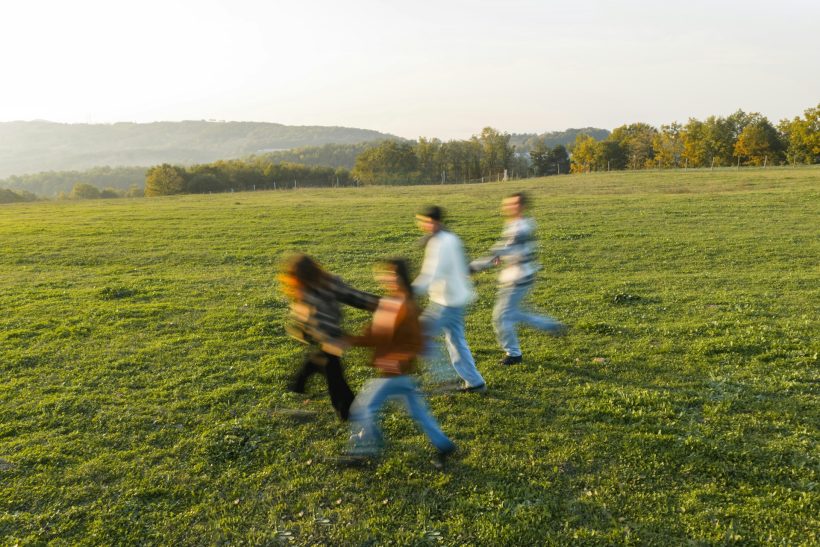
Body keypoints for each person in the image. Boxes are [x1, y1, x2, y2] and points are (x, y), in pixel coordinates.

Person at [344, 259, 457, 468]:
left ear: (400, 278)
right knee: (419, 412)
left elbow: (416, 342)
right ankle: (444, 445)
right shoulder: (391, 302)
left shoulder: (407, 307)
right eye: (384, 274)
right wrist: (349, 339)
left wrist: (398, 359)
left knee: (363, 408)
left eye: (391, 274)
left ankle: (361, 449)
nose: (386, 278)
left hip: (394, 373)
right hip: (399, 375)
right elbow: (375, 335)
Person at [279, 254, 379, 421]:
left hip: (328, 336)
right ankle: (348, 412)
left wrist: (381, 304)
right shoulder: (305, 293)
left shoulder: (327, 284)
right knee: (334, 373)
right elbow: (354, 297)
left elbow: (354, 297)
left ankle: (303, 379)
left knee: (328, 366)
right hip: (321, 337)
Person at [470, 192, 565, 365]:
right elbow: (511, 249)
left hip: (518, 278)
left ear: (522, 207)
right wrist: (503, 255)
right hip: (519, 275)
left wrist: (476, 266)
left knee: (501, 317)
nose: (508, 207)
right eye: (507, 204)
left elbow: (506, 248)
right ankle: (549, 325)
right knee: (511, 313)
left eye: (513, 204)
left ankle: (513, 354)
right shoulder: (517, 224)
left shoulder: (520, 227)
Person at [413, 205, 486, 393]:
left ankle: (446, 378)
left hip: (446, 302)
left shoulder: (441, 243)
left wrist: (409, 291)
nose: (420, 225)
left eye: (423, 221)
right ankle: (475, 382)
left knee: (419, 336)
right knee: (456, 340)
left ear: (433, 221)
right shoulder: (448, 238)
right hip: (452, 298)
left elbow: (432, 273)